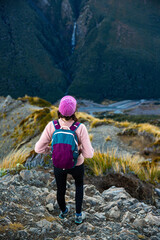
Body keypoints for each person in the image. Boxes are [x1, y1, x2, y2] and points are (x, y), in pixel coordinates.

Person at [35, 95, 94, 224]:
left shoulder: (52, 125)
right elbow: (89, 154)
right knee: (79, 186)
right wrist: (79, 151)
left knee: (60, 189)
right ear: (74, 111)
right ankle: (78, 215)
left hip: (58, 163)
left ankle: (63, 212)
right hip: (76, 164)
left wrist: (52, 151)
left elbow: (38, 149)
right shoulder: (80, 128)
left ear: (59, 110)